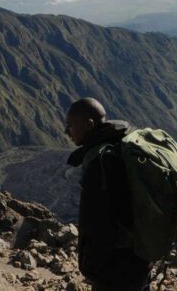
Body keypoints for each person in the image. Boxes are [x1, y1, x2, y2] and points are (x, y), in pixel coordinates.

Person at [65, 97, 151, 291]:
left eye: (70, 125)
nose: (66, 132)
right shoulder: (120, 146)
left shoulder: (100, 163)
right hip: (141, 257)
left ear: (89, 124)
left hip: (117, 267)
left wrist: (94, 269)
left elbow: (100, 224)